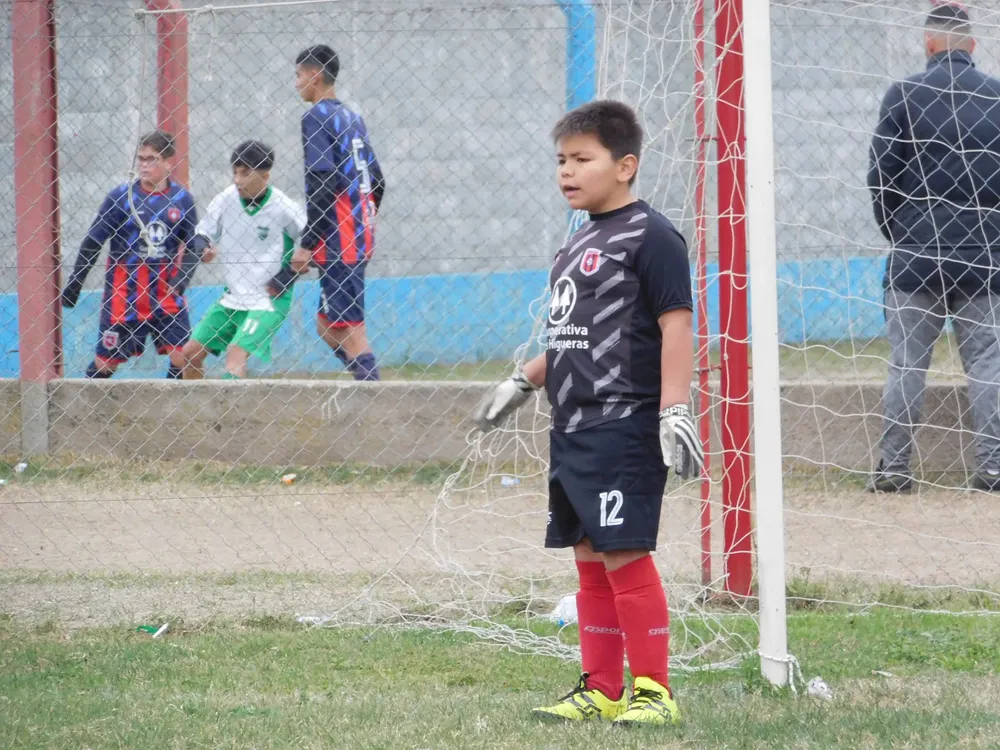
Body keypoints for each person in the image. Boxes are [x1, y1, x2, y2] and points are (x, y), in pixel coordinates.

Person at [472, 100, 702, 726]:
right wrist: (526, 378)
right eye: (561, 161)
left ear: (625, 165)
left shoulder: (652, 236)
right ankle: (600, 688)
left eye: (583, 159)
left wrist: (675, 409)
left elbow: (675, 325)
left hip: (623, 421)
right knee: (589, 560)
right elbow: (580, 331)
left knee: (625, 554)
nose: (567, 172)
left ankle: (654, 692)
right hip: (571, 425)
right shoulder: (580, 239)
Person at [867, 3, 1000, 493]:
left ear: (928, 44)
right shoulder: (998, 98)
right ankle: (992, 470)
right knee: (988, 364)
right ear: (972, 44)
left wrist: (901, 234)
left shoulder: (904, 95)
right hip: (986, 257)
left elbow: (881, 177)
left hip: (916, 257)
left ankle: (895, 470)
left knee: (906, 364)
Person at [284, 44, 386, 381]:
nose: (296, 83)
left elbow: (323, 183)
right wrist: (363, 220)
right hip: (358, 232)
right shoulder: (351, 117)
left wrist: (308, 241)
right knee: (327, 324)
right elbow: (379, 181)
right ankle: (365, 382)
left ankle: (372, 396)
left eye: (299, 75)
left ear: (314, 76)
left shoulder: (315, 117)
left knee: (347, 327)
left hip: (339, 236)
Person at [61, 130, 199, 378]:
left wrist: (181, 282)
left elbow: (194, 246)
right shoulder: (121, 197)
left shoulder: (182, 199)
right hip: (124, 295)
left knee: (183, 356)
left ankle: (170, 412)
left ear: (169, 162)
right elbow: (93, 241)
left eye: (152, 159)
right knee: (106, 363)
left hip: (166, 294)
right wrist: (75, 282)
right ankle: (84, 411)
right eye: (141, 159)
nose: (144, 165)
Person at [179, 141, 307, 380]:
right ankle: (197, 413)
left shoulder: (284, 207)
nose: (238, 180)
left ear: (265, 176)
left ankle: (231, 417)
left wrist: (290, 273)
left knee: (235, 356)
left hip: (269, 300)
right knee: (189, 354)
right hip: (232, 297)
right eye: (235, 173)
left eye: (246, 174)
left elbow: (314, 241)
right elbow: (201, 235)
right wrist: (202, 249)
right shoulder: (225, 199)